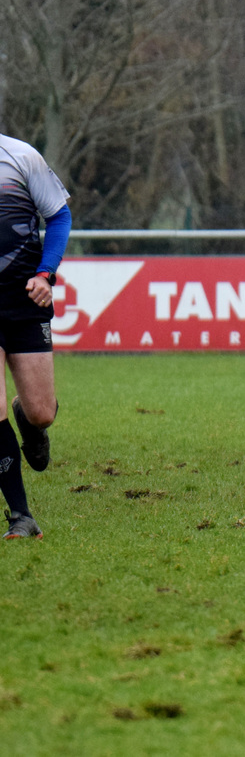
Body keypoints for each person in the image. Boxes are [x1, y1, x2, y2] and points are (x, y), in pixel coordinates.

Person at [0, 135, 72, 540]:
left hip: (26, 297)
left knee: (42, 412)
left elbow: (59, 217)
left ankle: (28, 417)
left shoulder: (22, 156)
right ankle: (21, 516)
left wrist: (46, 274)